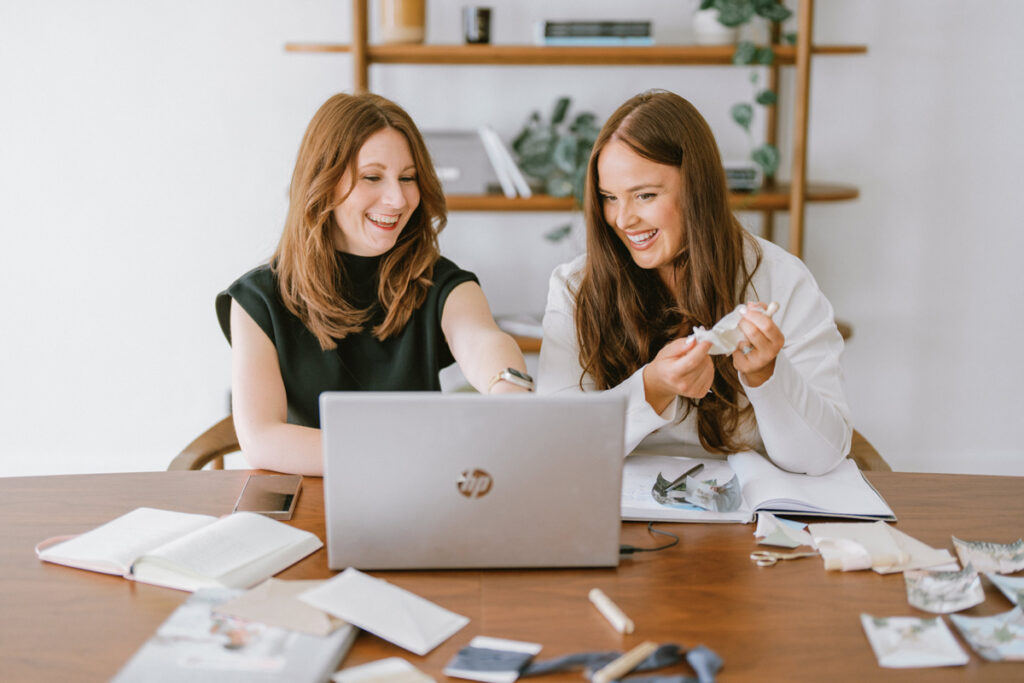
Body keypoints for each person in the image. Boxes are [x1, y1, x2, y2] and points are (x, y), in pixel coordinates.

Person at [537, 90, 851, 475]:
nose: (623, 219)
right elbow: (554, 444)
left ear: (697, 188)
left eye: (645, 195)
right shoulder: (575, 287)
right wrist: (651, 387)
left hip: (746, 518)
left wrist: (766, 376)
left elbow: (821, 458)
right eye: (609, 198)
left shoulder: (781, 280)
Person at [217, 93, 531, 476]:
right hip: (312, 504)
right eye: (372, 177)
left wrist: (508, 389)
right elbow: (263, 440)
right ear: (324, 182)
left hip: (417, 502)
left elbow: (483, 341)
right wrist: (407, 455)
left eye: (408, 178)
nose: (397, 198)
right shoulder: (257, 300)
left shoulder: (440, 282)